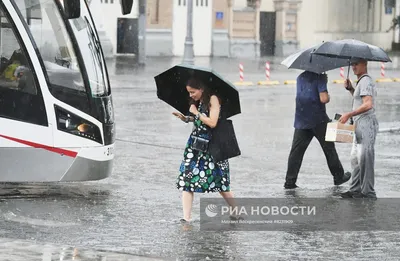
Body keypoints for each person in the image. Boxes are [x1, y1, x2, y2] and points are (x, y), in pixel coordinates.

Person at [173, 77, 238, 223]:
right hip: (195, 146)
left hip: (212, 147)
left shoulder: (213, 99)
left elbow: (212, 122)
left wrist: (196, 113)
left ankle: (235, 210)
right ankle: (186, 217)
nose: (191, 95)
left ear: (201, 89)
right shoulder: (200, 101)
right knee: (187, 180)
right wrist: (186, 118)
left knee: (221, 183)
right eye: (189, 92)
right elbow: (201, 121)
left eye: (193, 92)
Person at [284, 71, 351, 189]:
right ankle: (338, 176)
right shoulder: (320, 77)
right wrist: (325, 85)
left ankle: (290, 181)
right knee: (329, 149)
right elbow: (324, 98)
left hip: (301, 118)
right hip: (318, 119)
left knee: (296, 152)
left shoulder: (300, 77)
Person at [339, 58, 379, 199]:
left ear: (365, 64)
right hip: (359, 123)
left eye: (357, 64)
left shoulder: (366, 81)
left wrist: (349, 113)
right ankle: (355, 189)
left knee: (365, 158)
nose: (354, 66)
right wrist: (351, 89)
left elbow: (368, 104)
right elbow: (360, 101)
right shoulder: (361, 81)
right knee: (356, 158)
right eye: (352, 64)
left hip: (366, 123)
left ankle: (368, 192)